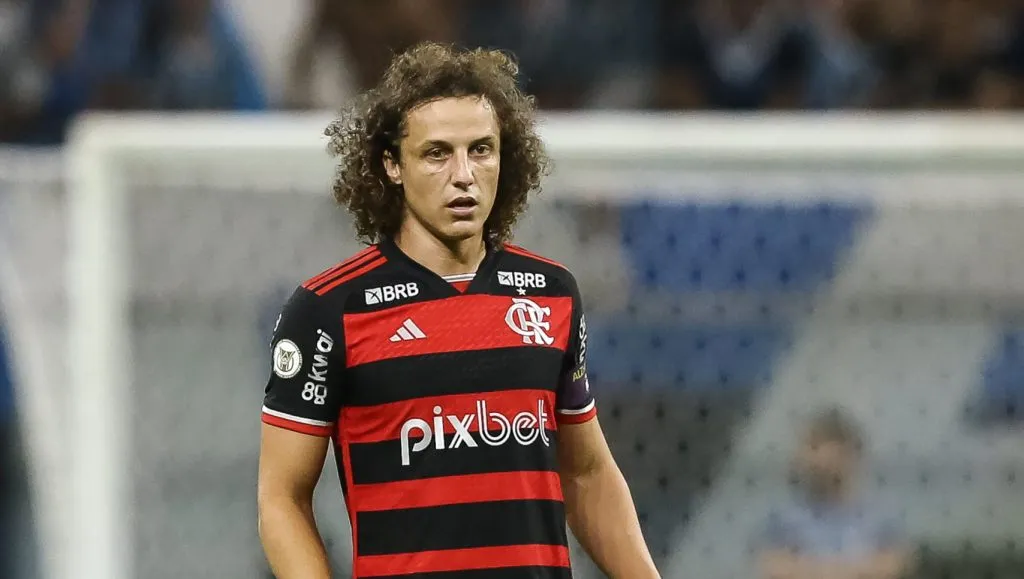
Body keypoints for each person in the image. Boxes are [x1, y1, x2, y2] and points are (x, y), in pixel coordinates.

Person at [257, 42, 660, 579]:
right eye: (437, 153)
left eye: (482, 150)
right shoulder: (328, 310)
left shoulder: (552, 294)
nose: (464, 174)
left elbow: (586, 473)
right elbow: (282, 498)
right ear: (392, 165)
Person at [755, 408, 913, 579]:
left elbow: (892, 566)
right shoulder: (783, 516)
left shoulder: (881, 515)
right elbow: (775, 567)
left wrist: (811, 569)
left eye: (815, 447)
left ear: (846, 453)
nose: (804, 458)